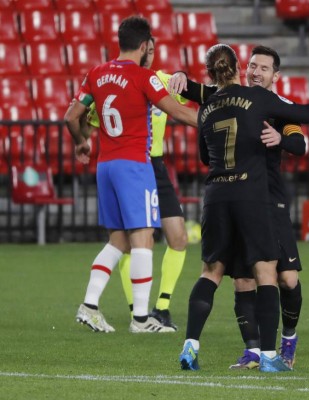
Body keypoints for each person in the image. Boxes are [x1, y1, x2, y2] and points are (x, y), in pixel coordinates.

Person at [177, 43, 309, 372]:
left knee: (235, 274)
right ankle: (262, 353)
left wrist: (280, 140)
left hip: (226, 197)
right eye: (252, 65)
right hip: (250, 197)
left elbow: (299, 141)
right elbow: (307, 114)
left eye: (263, 68)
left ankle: (192, 346)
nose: (256, 71)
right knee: (255, 276)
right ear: (241, 68)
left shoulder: (212, 105)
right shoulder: (259, 99)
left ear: (275, 76)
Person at [64, 16, 197, 333]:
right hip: (135, 166)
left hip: (106, 166)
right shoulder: (144, 77)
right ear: (143, 46)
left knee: (118, 240)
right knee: (142, 239)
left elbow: (72, 116)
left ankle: (89, 305)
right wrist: (216, 122)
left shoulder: (96, 73)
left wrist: (82, 143)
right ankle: (141, 319)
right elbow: (177, 111)